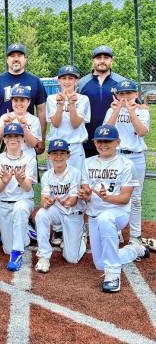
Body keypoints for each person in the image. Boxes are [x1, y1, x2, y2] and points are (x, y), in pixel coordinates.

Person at [79, 124, 150, 293]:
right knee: (99, 264)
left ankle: (113, 274)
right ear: (95, 142)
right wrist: (85, 194)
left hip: (118, 212)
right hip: (95, 214)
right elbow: (86, 190)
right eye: (100, 141)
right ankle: (134, 250)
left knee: (106, 219)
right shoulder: (87, 163)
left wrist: (106, 197)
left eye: (108, 141)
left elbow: (125, 198)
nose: (103, 144)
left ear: (117, 142)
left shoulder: (126, 164)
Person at [104, 80, 149, 244]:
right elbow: (106, 132)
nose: (125, 98)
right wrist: (116, 111)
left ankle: (135, 236)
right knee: (115, 195)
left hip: (136, 157)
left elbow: (142, 132)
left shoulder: (142, 112)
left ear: (136, 94)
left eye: (129, 93)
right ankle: (115, 232)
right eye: (121, 94)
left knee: (135, 197)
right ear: (117, 95)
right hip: (117, 157)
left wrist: (131, 112)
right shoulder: (111, 110)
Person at [0, 43, 47, 157]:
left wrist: (42, 138)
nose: (16, 59)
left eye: (19, 55)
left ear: (25, 59)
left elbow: (42, 111)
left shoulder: (35, 81)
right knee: (0, 172)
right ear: (7, 59)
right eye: (12, 56)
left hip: (26, 139)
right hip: (2, 138)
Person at [35, 139, 86, 273]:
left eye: (62, 153)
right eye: (55, 153)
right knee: (41, 214)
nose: (58, 157)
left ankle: (83, 238)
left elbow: (73, 201)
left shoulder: (75, 173)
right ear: (49, 156)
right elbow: (43, 201)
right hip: (57, 211)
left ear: (68, 155)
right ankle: (44, 256)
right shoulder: (47, 175)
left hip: (73, 213)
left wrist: (67, 202)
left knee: (71, 258)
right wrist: (47, 203)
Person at [0, 123, 37, 272]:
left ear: (22, 139)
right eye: (9, 136)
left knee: (19, 209)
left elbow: (28, 187)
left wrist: (20, 180)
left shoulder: (29, 158)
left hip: (23, 201)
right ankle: (26, 232)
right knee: (7, 249)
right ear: (4, 139)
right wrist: (4, 181)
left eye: (17, 136)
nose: (13, 139)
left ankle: (17, 254)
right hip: (4, 203)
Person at [78, 45, 125, 158]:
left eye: (106, 58)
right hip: (88, 140)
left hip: (113, 141)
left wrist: (143, 106)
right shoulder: (82, 83)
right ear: (93, 61)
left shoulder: (121, 82)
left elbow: (136, 104)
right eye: (99, 58)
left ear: (111, 60)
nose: (102, 61)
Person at [46, 65, 90, 170]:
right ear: (59, 80)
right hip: (56, 147)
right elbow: (56, 123)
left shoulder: (83, 99)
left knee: (77, 182)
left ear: (76, 81)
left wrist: (72, 104)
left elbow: (75, 124)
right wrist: (60, 105)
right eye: (63, 78)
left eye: (71, 78)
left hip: (74, 146)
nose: (67, 81)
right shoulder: (52, 99)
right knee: (55, 182)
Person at [0, 84, 42, 158]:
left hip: (28, 157)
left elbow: (33, 144)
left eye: (22, 100)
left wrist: (24, 128)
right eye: (15, 100)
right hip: (8, 158)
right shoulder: (5, 117)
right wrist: (4, 125)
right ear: (11, 101)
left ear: (29, 102)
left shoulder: (34, 119)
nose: (18, 103)